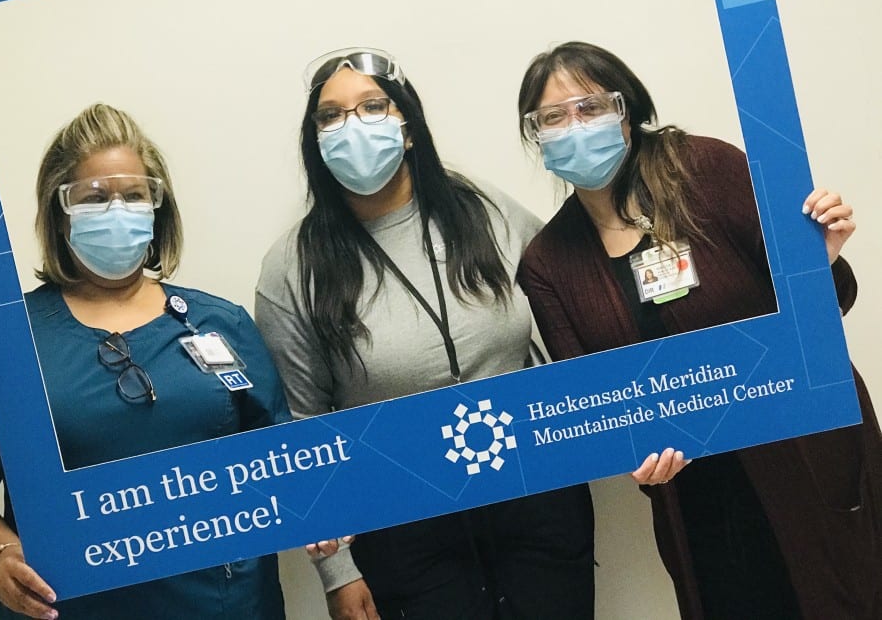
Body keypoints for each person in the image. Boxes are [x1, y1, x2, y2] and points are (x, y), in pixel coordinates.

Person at [515, 41, 882, 619]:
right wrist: (633, 451)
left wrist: (820, 262)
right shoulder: (548, 262)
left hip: (804, 455)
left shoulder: (706, 170)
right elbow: (595, 403)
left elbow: (826, 307)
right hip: (697, 498)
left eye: (589, 107)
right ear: (536, 136)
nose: (573, 126)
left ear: (626, 111)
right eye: (552, 117)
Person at [255, 48, 595, 620]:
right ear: (314, 140)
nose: (352, 126)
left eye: (372, 106)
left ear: (408, 127)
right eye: (330, 116)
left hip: (535, 498)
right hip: (404, 528)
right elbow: (303, 426)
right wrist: (337, 572)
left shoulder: (482, 209)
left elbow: (574, 279)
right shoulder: (293, 266)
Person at [0, 104, 291, 620]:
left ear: (157, 207)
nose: (118, 209)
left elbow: (288, 459)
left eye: (135, 194)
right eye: (95, 198)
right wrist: (2, 552)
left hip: (223, 603)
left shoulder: (219, 323)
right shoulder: (7, 338)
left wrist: (319, 515)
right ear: (61, 212)